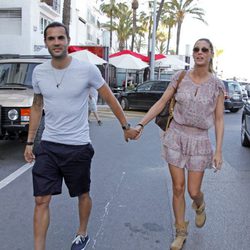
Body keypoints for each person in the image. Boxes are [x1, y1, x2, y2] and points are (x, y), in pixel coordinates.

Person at [24, 22, 138, 250]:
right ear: (46, 42)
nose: (56, 42)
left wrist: (125, 126)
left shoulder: (87, 70)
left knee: (82, 194)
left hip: (77, 146)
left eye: (60, 38)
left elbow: (110, 97)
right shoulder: (39, 72)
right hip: (48, 145)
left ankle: (82, 233)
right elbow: (37, 106)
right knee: (41, 199)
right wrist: (29, 141)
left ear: (67, 41)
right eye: (51, 38)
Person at [134, 38, 225, 250]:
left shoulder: (216, 85)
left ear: (211, 54)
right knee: (178, 187)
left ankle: (199, 204)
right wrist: (141, 124)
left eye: (204, 49)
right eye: (196, 49)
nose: (199, 52)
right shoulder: (180, 77)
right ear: (192, 54)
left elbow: (219, 119)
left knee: (193, 191)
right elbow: (162, 102)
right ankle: (180, 231)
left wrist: (218, 150)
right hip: (176, 136)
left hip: (199, 140)